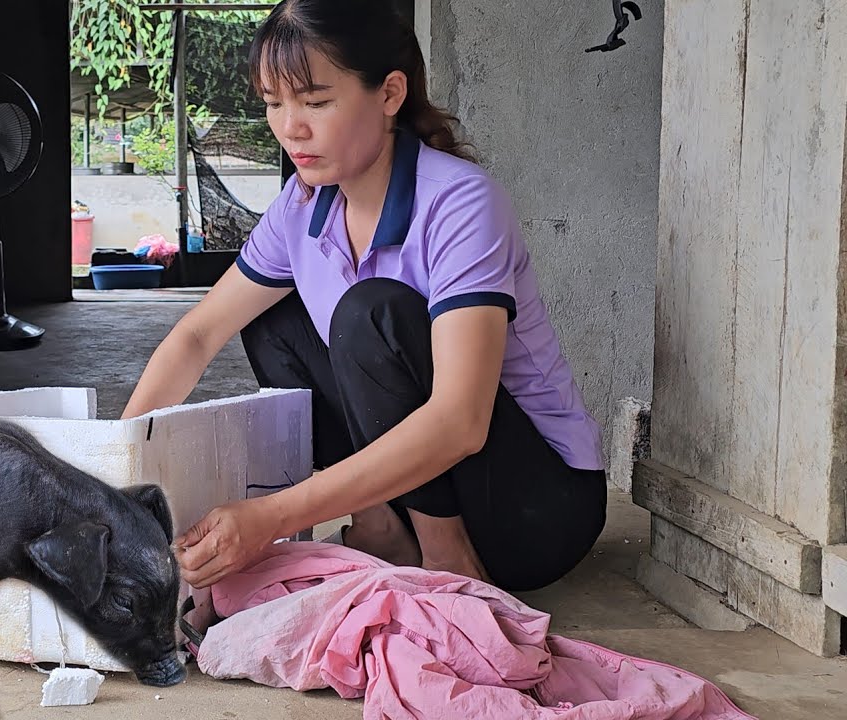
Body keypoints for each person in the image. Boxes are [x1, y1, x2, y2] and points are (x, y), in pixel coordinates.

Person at [121, 0, 607, 593]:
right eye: (274, 104)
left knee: (371, 313)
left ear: (390, 94)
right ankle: (382, 526)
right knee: (274, 320)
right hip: (417, 482)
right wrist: (117, 472)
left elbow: (461, 423)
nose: (290, 127)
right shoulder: (302, 206)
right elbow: (199, 334)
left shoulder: (460, 204)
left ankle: (445, 555)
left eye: (316, 101)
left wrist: (270, 519)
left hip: (534, 509)